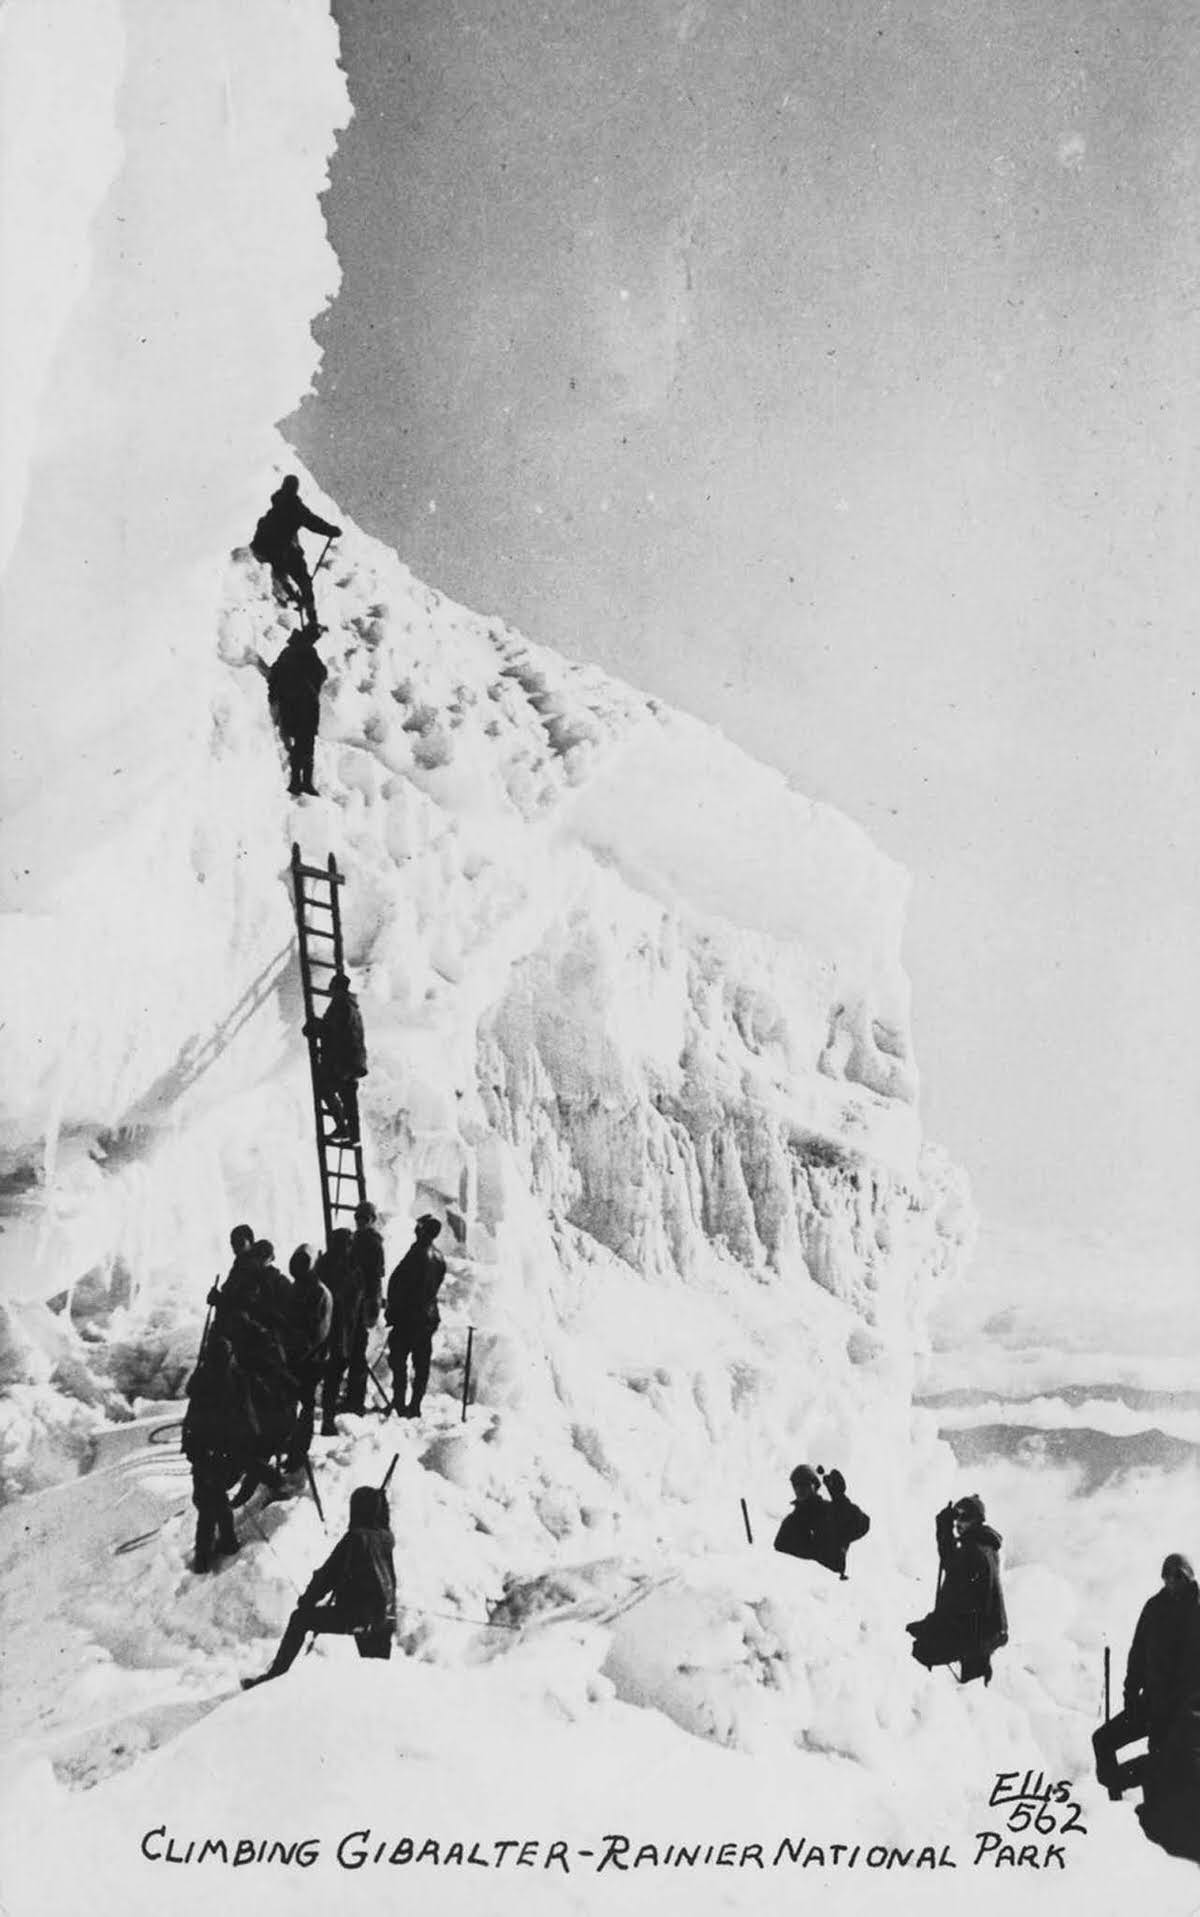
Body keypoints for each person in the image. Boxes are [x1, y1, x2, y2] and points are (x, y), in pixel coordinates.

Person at [241, 1484, 395, 1689]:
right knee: (376, 1673)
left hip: (356, 1616)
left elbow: (327, 1576)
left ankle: (275, 1675)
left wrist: (307, 1600)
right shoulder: (385, 1539)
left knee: (300, 1619)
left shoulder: (355, 1538)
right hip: (383, 1618)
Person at [1094, 1555, 1199, 1800]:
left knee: (1160, 1769)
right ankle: (1116, 1799)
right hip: (1152, 1702)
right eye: (1167, 1575)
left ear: (1188, 1577)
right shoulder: (1154, 1607)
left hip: (1183, 1713)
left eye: (1178, 1576)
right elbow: (1138, 1653)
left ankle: (1148, 1811)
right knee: (1102, 1740)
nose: (1171, 1581)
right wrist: (1130, 1692)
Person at [907, 1494, 1008, 1685]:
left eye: (965, 1517)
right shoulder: (986, 1546)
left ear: (977, 1520)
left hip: (976, 1634)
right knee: (975, 1685)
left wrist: (943, 1528)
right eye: (957, 1517)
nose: (958, 1523)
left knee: (920, 1652)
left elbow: (951, 1567)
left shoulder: (974, 1550)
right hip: (987, 1630)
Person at [181, 1331, 250, 1573]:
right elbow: (246, 1417)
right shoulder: (237, 1380)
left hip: (201, 1450)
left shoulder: (201, 1378)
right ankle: (226, 1542)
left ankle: (204, 1555)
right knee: (217, 1498)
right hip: (225, 1452)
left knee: (206, 1501)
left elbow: (191, 1409)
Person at [250, 474, 341, 622]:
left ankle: (292, 595)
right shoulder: (295, 507)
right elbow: (313, 522)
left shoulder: (275, 507)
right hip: (288, 553)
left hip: (270, 552)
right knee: (304, 582)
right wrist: (331, 530)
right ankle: (311, 618)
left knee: (282, 575)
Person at [385, 1215, 446, 1419]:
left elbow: (400, 1284)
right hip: (428, 1317)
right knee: (421, 1365)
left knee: (399, 1360)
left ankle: (400, 1403)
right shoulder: (439, 1257)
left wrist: (393, 1310)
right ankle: (415, 1405)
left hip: (408, 1316)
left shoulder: (417, 1253)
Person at [282, 1244, 333, 1472]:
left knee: (306, 1405)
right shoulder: (296, 1289)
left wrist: (297, 1351)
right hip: (292, 1358)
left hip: (309, 1360)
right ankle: (292, 1448)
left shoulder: (320, 1293)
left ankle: (298, 1453)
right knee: (291, 1406)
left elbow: (317, 1333)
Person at [773, 1464, 870, 1579]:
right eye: (796, 1485)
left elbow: (862, 1525)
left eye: (805, 1484)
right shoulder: (792, 1521)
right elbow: (779, 1550)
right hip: (801, 1584)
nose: (800, 1490)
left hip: (829, 1585)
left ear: (815, 1486)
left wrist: (840, 1499)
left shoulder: (830, 1511)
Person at [267, 625, 327, 797]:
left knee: (300, 745)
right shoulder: (308, 654)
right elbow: (321, 673)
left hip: (292, 705)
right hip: (305, 706)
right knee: (306, 746)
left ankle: (297, 782)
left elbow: (275, 675)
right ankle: (304, 782)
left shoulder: (289, 653)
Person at [309, 973, 367, 1140]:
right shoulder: (352, 1006)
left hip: (342, 1061)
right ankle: (353, 1135)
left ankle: (343, 1128)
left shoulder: (341, 1006)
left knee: (325, 1090)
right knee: (349, 1099)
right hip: (353, 1060)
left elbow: (334, 1032)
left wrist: (315, 1027)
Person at [318, 1227, 361, 1432]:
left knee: (328, 1374)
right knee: (334, 1374)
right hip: (340, 1329)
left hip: (326, 1329)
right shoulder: (350, 1268)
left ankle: (325, 1417)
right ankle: (327, 1419)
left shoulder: (323, 1265)